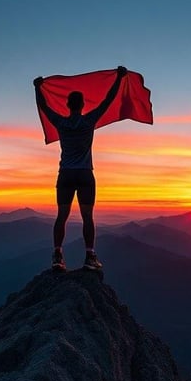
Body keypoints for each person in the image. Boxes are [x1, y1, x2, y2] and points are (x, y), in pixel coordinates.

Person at [34, 66, 127, 271]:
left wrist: (37, 88)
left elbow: (44, 106)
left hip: (65, 174)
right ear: (83, 104)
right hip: (85, 174)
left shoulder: (60, 122)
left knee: (62, 216)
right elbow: (108, 100)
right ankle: (90, 256)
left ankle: (57, 255)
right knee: (87, 217)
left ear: (67, 105)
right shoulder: (89, 121)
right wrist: (119, 78)